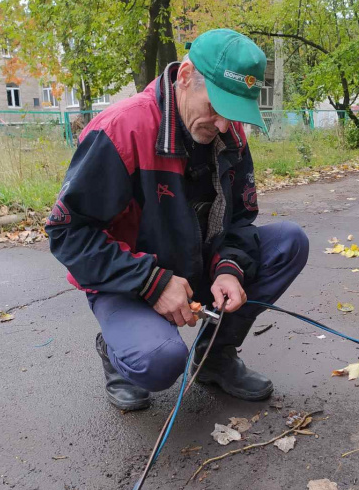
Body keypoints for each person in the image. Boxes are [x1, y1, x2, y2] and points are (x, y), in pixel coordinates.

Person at [46, 29, 309, 411]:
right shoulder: (122, 129)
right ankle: (117, 356)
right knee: (159, 362)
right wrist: (151, 282)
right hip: (128, 280)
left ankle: (214, 358)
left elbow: (240, 220)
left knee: (290, 241)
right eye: (217, 106)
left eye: (234, 112)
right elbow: (67, 233)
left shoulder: (230, 133)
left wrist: (230, 270)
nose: (223, 125)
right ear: (185, 77)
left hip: (195, 265)